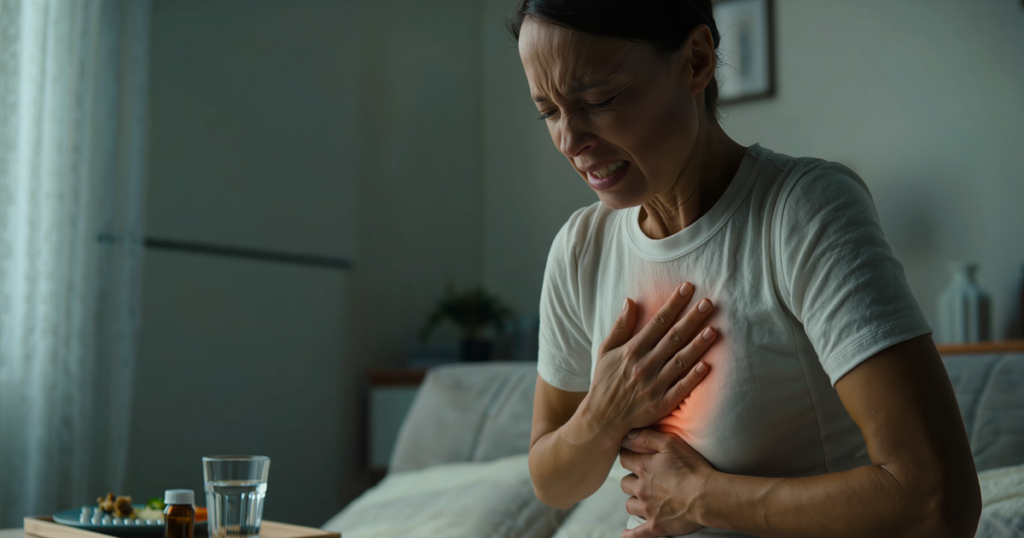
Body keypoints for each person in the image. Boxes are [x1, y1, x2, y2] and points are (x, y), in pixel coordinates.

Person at [507, 1, 983, 537]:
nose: (570, 141)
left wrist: (702, 499)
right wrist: (604, 413)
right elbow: (553, 483)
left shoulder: (802, 213)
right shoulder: (580, 249)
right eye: (548, 110)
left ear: (695, 61)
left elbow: (938, 500)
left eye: (600, 99)